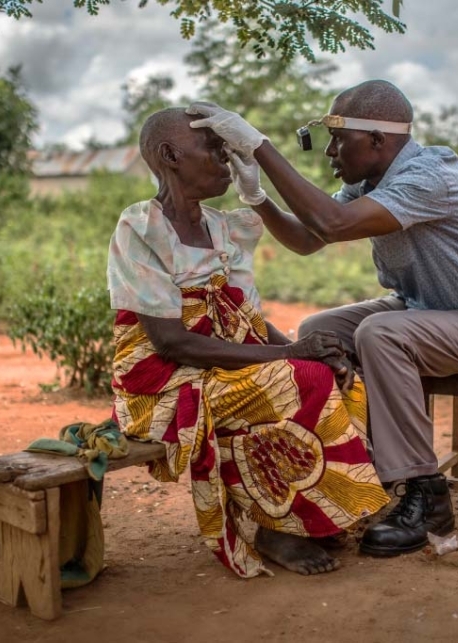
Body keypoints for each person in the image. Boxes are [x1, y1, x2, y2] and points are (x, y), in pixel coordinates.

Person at [186, 79, 458, 557]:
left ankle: (426, 497)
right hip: (424, 312)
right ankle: (356, 464)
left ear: (377, 140)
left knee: (380, 334)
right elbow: (310, 238)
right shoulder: (368, 184)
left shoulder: (433, 174)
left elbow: (333, 223)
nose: (329, 152)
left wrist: (261, 146)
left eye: (337, 138)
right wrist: (257, 198)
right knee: (317, 331)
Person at [106, 107, 389, 578]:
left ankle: (316, 517)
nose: (226, 160)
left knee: (340, 376)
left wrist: (309, 347)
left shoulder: (224, 228)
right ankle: (279, 528)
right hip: (164, 383)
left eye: (228, 149)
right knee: (297, 380)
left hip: (222, 365)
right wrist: (290, 354)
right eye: (214, 150)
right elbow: (172, 343)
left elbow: (246, 319)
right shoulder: (140, 229)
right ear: (170, 155)